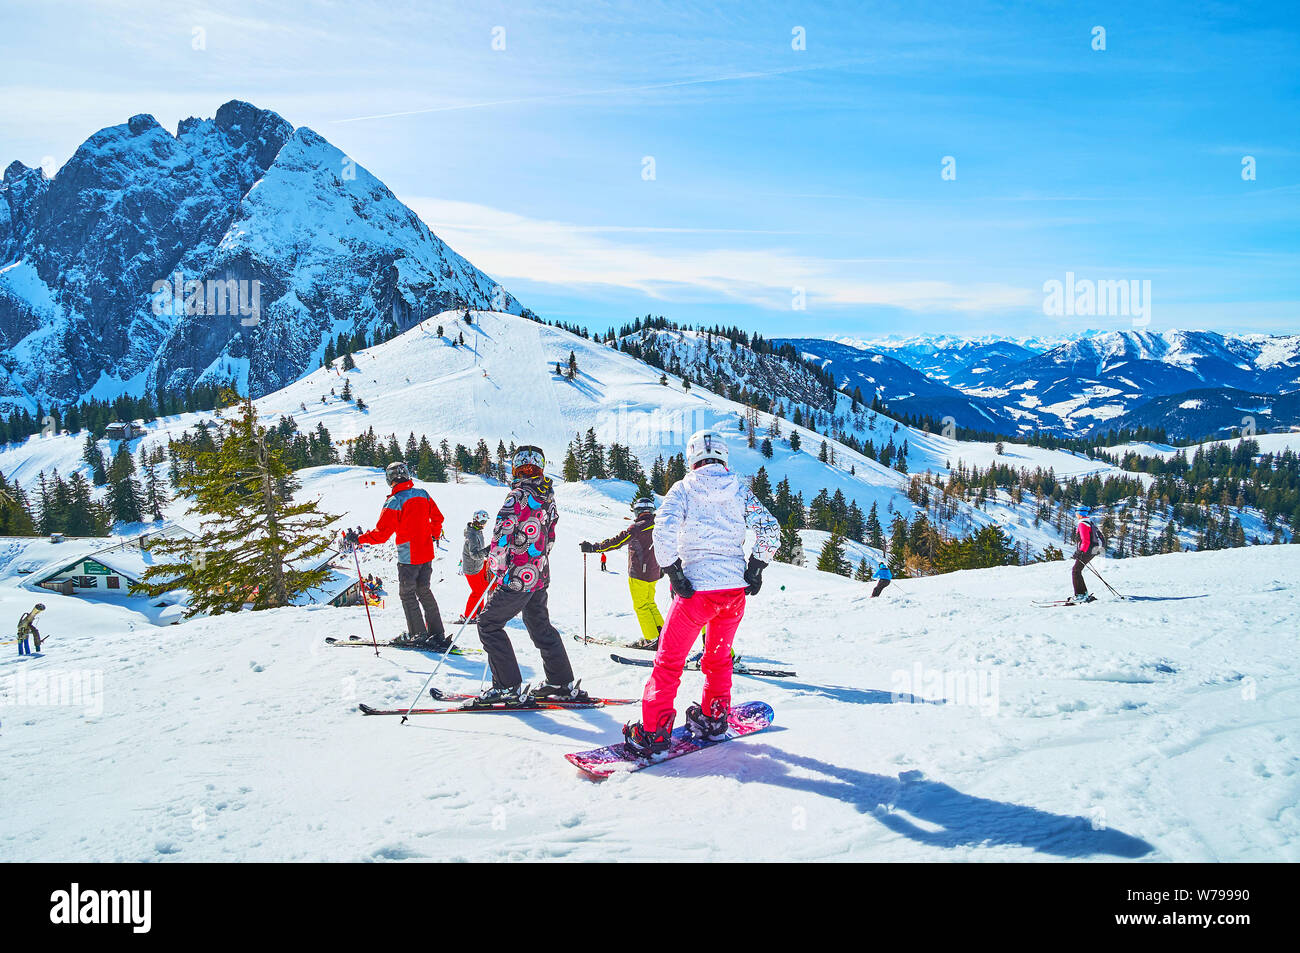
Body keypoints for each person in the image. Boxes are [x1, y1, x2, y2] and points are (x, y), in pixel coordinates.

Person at [622, 430, 778, 757]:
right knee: (718, 657)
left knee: (669, 662)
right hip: (733, 592)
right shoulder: (739, 488)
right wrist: (756, 567)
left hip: (696, 592)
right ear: (723, 455)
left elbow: (663, 528)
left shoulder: (684, 489)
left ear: (692, 457)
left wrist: (674, 570)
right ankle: (714, 716)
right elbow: (771, 529)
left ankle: (654, 732)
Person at [471, 446, 585, 706]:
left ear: (516, 468)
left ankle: (507, 686)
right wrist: (537, 561)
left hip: (518, 575)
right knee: (538, 624)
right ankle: (560, 680)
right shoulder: (547, 498)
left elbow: (502, 534)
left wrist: (498, 567)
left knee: (488, 623)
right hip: (538, 573)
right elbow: (550, 536)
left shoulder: (517, 495)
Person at [357, 461, 449, 649]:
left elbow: (381, 535)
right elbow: (438, 518)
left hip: (409, 557)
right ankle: (437, 633)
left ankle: (418, 635)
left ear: (389, 480)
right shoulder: (422, 494)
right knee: (424, 591)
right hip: (426, 553)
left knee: (407, 594)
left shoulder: (395, 501)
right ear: (407, 475)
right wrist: (433, 534)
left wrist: (359, 539)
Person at [581, 498, 663, 648]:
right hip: (653, 572)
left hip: (639, 573)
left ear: (637, 512)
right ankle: (662, 637)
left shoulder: (637, 528)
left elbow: (617, 542)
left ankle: (652, 639)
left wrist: (594, 548)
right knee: (650, 603)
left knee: (641, 606)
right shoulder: (658, 526)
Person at [454, 509, 493, 625]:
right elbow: (475, 554)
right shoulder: (472, 535)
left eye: (485, 520)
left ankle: (478, 613)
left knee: (483, 589)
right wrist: (487, 550)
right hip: (472, 569)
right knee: (478, 591)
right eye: (482, 520)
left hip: (478, 565)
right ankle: (468, 616)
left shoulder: (477, 531)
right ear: (476, 520)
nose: (484, 523)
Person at [1069, 504, 1103, 604]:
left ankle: (1080, 595)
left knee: (1075, 571)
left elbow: (1086, 541)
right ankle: (1083, 594)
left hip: (1087, 550)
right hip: (1092, 550)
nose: (1075, 514)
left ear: (1079, 513)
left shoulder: (1083, 524)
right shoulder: (1089, 522)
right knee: (1077, 570)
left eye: (1076, 512)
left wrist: (1080, 552)